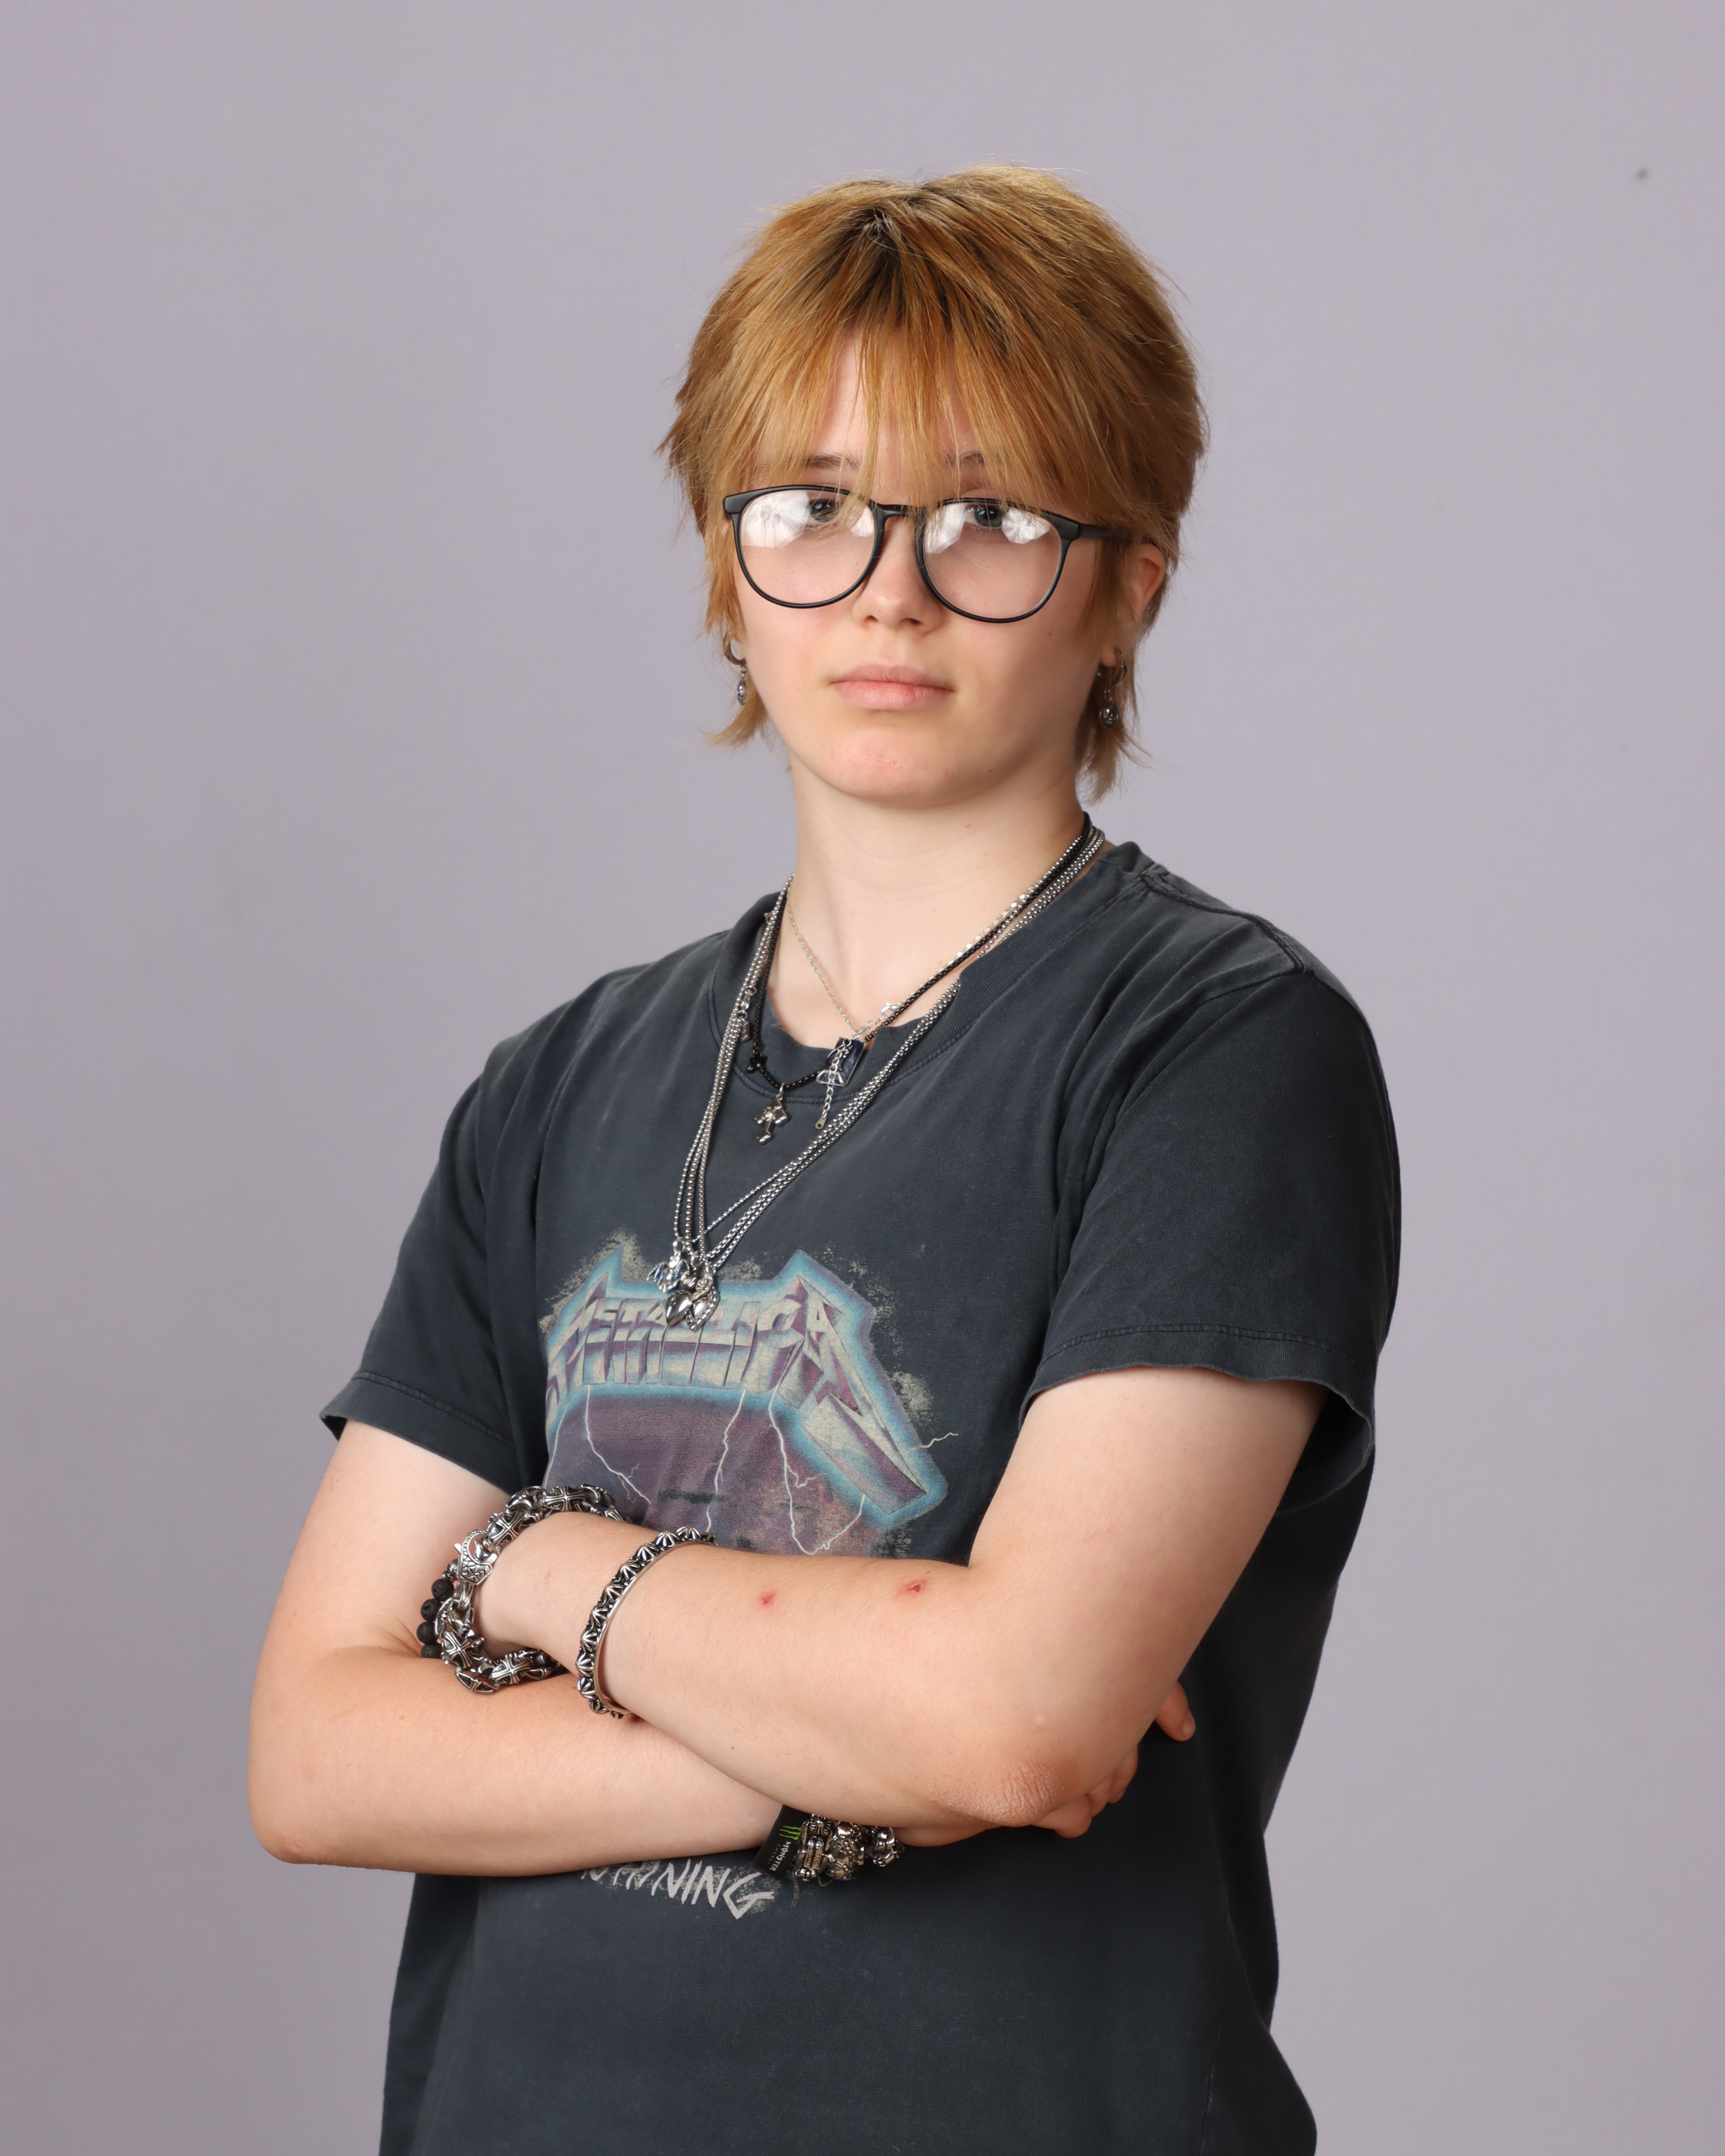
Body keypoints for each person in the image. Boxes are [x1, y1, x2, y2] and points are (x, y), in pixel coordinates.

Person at [249, 166, 1399, 2155]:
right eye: (811, 507)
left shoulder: (1217, 1050)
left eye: (991, 518)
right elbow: (316, 1753)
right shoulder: (554, 1088)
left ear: (1131, 584)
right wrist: (867, 1755)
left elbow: (1014, 1724)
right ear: (725, 570)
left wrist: (536, 1569)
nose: (890, 589)